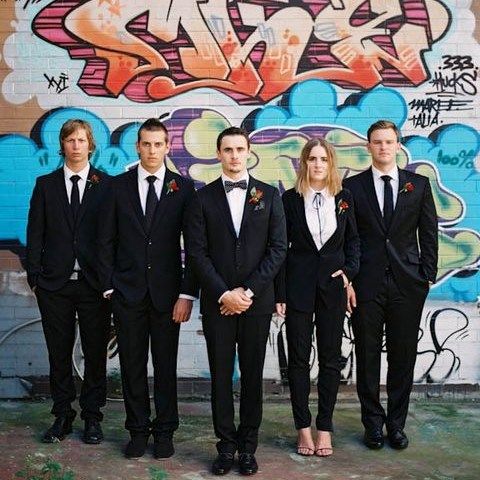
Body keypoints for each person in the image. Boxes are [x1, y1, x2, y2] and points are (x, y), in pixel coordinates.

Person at [187, 127, 287, 476]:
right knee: (220, 377)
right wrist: (223, 293)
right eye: (227, 149)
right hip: (218, 303)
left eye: (239, 149)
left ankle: (248, 447)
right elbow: (197, 253)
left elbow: (277, 250)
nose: (233, 155)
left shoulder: (270, 195)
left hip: (255, 303)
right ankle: (225, 446)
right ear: (218, 154)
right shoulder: (202, 198)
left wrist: (246, 292)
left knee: (252, 376)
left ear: (249, 152)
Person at [97, 118, 197, 459]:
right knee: (132, 366)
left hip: (168, 297)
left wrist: (187, 293)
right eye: (146, 144)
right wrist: (111, 287)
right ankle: (137, 430)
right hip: (127, 294)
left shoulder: (182, 189)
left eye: (159, 144)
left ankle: (165, 431)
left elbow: (194, 246)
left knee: (165, 367)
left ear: (168, 147)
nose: (152, 150)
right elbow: (104, 241)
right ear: (137, 146)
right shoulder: (116, 186)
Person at [343, 120, 438, 450]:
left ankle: (396, 424)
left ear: (398, 146)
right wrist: (348, 280)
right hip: (365, 284)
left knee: (403, 357)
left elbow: (428, 234)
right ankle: (372, 424)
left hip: (407, 285)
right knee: (367, 357)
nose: (383, 147)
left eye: (389, 141)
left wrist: (427, 275)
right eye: (377, 142)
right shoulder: (352, 187)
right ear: (368, 147)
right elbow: (348, 237)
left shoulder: (419, 185)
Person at [26, 119, 111, 444]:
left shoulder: (106, 184)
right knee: (58, 353)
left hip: (94, 285)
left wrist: (110, 280)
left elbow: (113, 236)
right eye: (70, 140)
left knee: (94, 353)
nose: (76, 145)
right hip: (55, 285)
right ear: (62, 145)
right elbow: (36, 234)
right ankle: (62, 415)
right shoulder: (45, 185)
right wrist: (36, 278)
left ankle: (92, 417)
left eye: (81, 140)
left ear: (90, 145)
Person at [275, 137, 360, 457]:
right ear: (304, 163)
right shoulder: (289, 200)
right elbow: (280, 250)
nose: (318, 164)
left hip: (332, 291)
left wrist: (349, 273)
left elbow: (354, 243)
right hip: (297, 289)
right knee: (298, 361)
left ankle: (324, 427)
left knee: (330, 361)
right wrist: (279, 293)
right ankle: (303, 429)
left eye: (324, 159)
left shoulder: (345, 197)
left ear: (331, 163)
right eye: (312, 159)